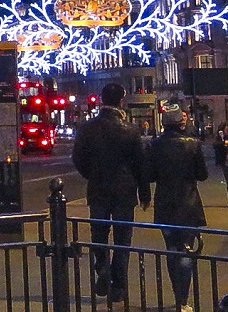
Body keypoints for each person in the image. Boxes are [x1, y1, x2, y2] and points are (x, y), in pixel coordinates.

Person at [72, 82, 150, 304]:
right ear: (121, 101)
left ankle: (102, 268)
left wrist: (92, 174)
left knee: (99, 233)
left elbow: (78, 159)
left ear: (102, 100)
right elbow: (139, 164)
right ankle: (118, 285)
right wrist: (144, 193)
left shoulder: (87, 128)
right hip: (125, 190)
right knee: (122, 239)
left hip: (98, 188)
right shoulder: (130, 130)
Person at [143, 108, 208, 312]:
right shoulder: (193, 144)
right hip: (188, 203)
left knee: (172, 249)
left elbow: (150, 175)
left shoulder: (154, 145)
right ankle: (183, 299)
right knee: (186, 250)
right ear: (181, 123)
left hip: (165, 204)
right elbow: (203, 174)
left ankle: (177, 294)